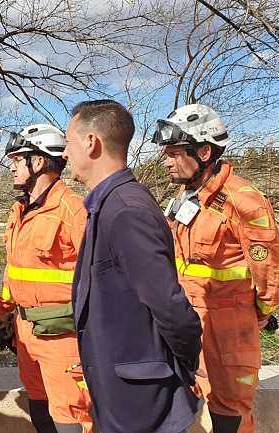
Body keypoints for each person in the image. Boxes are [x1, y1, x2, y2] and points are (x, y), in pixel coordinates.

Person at [63, 100, 202, 433]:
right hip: (122, 395)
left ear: (91, 142)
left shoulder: (126, 210)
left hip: (142, 403)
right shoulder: (107, 204)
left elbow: (169, 306)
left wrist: (185, 366)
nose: (64, 154)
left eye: (68, 143)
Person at [153, 104, 279, 433]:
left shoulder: (243, 200)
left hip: (228, 327)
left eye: (174, 153)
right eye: (166, 153)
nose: (166, 161)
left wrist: (254, 315)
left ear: (204, 151)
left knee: (230, 414)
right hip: (187, 322)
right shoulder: (186, 196)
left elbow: (272, 273)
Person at [0, 124, 93, 433]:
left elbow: (101, 278)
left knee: (70, 418)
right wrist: (1, 313)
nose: (12, 166)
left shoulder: (73, 211)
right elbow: (14, 271)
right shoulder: (18, 211)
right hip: (25, 332)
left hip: (63, 337)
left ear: (38, 162)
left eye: (17, 160)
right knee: (40, 410)